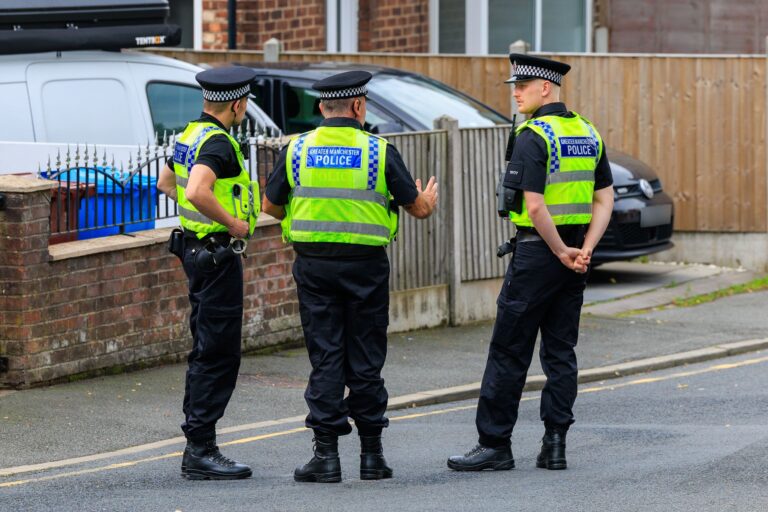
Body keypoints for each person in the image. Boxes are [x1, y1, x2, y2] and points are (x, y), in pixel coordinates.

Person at [261, 70, 438, 483]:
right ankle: (372, 456)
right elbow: (417, 208)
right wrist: (426, 200)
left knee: (326, 357)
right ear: (358, 106)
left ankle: (326, 458)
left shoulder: (296, 150)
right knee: (366, 358)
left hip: (314, 267)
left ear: (323, 107)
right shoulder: (379, 151)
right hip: (365, 268)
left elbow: (270, 206)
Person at [447, 54, 614, 472]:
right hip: (575, 256)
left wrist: (559, 251)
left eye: (522, 86)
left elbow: (535, 206)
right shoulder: (587, 132)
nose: (516, 93)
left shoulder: (533, 135)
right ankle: (555, 444)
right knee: (560, 351)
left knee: (509, 349)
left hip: (540, 253)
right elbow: (605, 199)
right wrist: (585, 249)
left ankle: (494, 445)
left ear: (545, 88)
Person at [157, 66, 260, 480]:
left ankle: (200, 445)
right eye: (245, 103)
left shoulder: (189, 135)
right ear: (237, 105)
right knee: (217, 351)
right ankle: (200, 449)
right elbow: (197, 190)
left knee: (206, 345)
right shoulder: (218, 142)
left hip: (195, 252)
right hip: (216, 257)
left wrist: (197, 219)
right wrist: (232, 225)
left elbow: (167, 182)